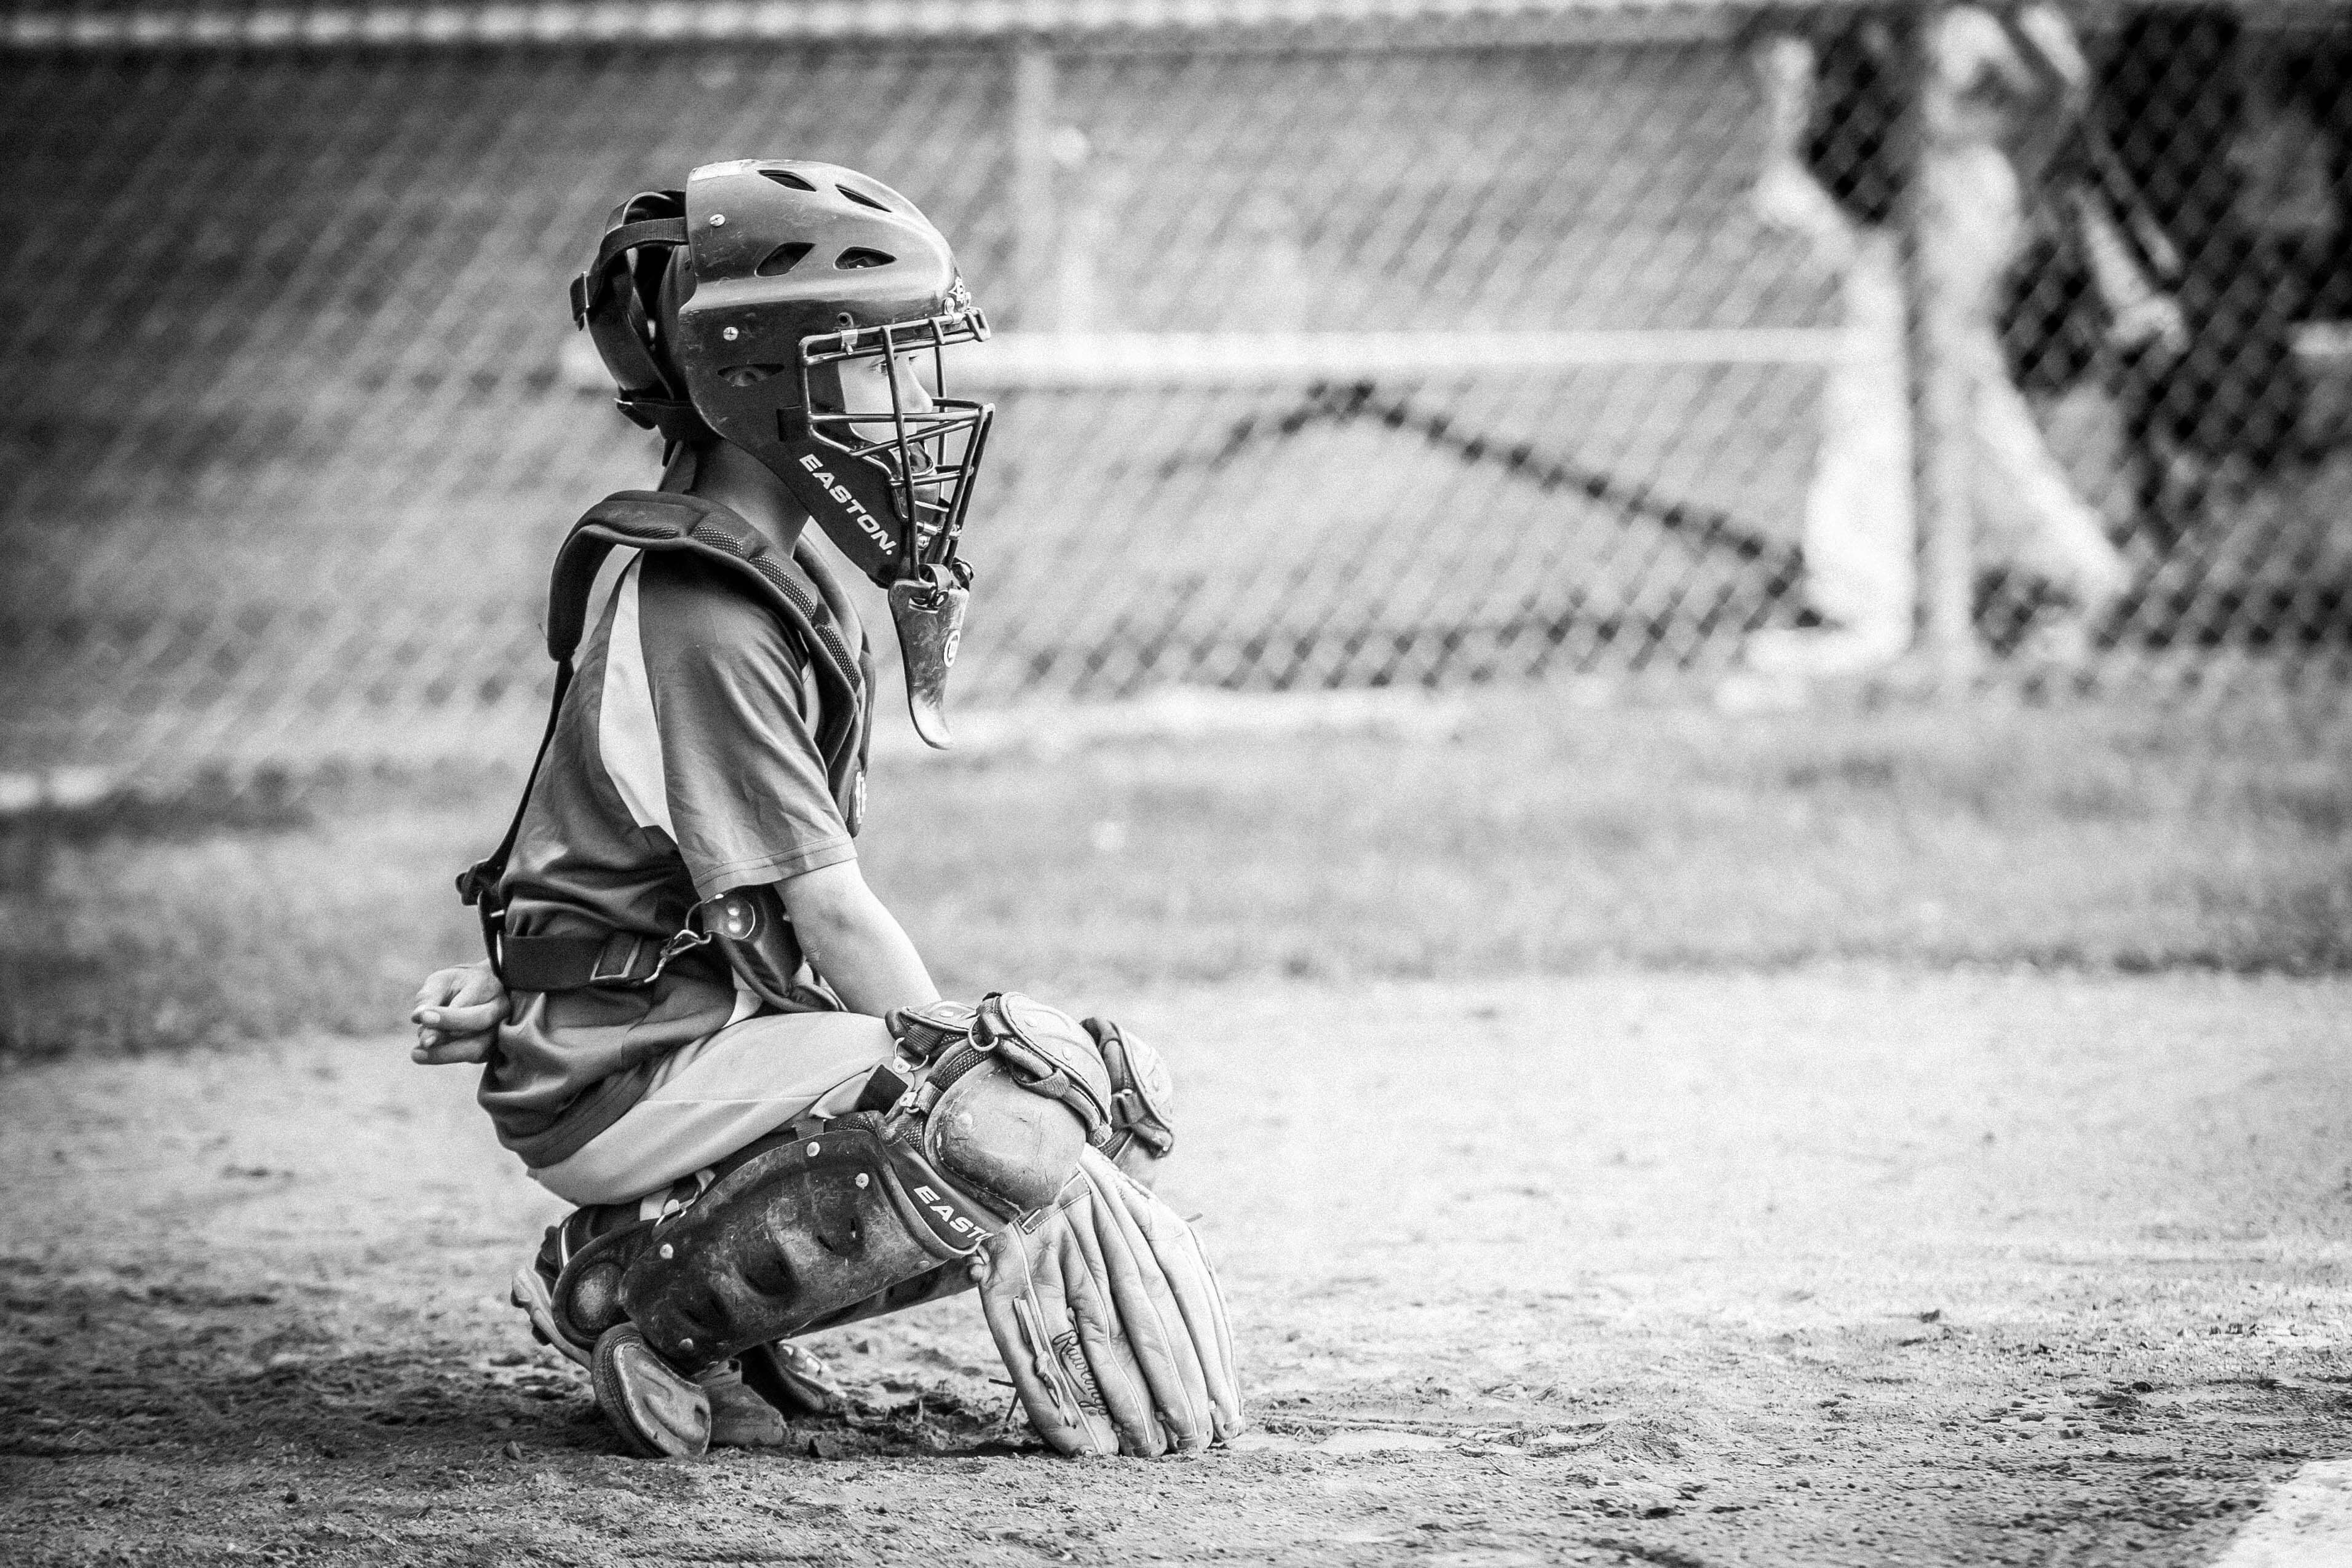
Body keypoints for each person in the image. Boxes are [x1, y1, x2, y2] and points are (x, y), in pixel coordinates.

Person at [409, 159, 1238, 1460]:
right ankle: (634, 1302)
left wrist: (519, 973)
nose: (918, 401)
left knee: (1102, 1093)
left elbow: (630, 843)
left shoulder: (761, 569)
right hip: (627, 1070)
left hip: (666, 1026)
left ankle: (678, 1274)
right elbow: (829, 913)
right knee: (1000, 1121)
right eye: (878, 363)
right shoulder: (706, 608)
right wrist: (996, 1111)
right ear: (763, 385)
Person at [1746, 4, 2131, 677]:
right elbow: (1770, 35)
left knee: (1873, 391)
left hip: (1958, 196)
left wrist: (2002, 155)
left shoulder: (1990, 25)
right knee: (1960, 400)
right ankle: (2080, 568)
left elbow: (2059, 83)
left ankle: (1865, 606)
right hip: (1918, 199)